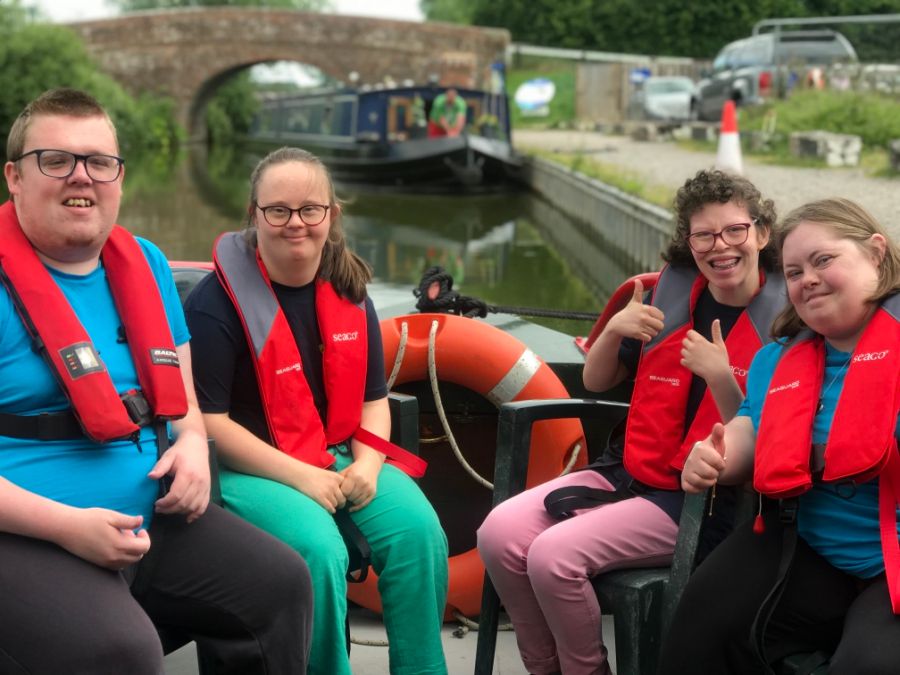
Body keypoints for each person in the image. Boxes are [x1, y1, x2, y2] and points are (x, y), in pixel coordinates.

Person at [0, 88, 312, 673]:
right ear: (14, 176)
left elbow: (184, 401)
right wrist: (68, 527)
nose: (81, 177)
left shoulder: (144, 263)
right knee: (120, 651)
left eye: (99, 162)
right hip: (27, 533)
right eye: (56, 160)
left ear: (119, 176)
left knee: (280, 584)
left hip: (153, 519)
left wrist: (193, 443)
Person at [477, 169, 786, 675]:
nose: (721, 246)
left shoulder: (787, 322)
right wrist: (615, 328)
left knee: (553, 557)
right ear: (689, 242)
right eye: (704, 234)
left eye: (735, 230)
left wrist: (719, 377)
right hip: (628, 473)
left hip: (703, 501)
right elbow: (598, 381)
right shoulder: (668, 294)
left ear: (762, 233)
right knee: (497, 533)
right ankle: (543, 667)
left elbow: (758, 445)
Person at [183, 146, 449, 675]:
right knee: (318, 551)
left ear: (332, 215)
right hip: (245, 469)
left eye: (310, 209)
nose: (294, 223)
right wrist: (303, 478)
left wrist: (369, 466)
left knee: (420, 531)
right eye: (277, 211)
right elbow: (210, 423)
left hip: (337, 457)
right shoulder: (214, 305)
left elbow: (375, 403)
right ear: (254, 216)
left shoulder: (349, 292)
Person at [659, 198, 900, 675]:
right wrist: (713, 456)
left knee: (867, 665)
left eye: (823, 260)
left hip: (890, 567)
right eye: (793, 272)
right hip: (805, 548)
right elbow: (747, 433)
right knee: (698, 627)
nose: (806, 278)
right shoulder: (778, 360)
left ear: (875, 253)